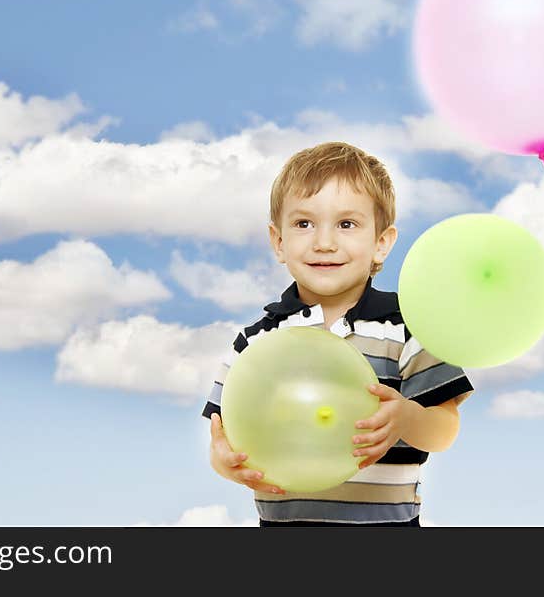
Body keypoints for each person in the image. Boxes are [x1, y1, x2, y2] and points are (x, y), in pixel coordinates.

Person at [200, 141, 474, 526]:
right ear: (279, 241)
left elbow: (445, 427)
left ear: (381, 243)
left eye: (346, 224)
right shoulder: (256, 343)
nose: (324, 242)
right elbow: (221, 436)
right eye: (303, 224)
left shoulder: (406, 329)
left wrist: (406, 419)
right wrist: (225, 464)